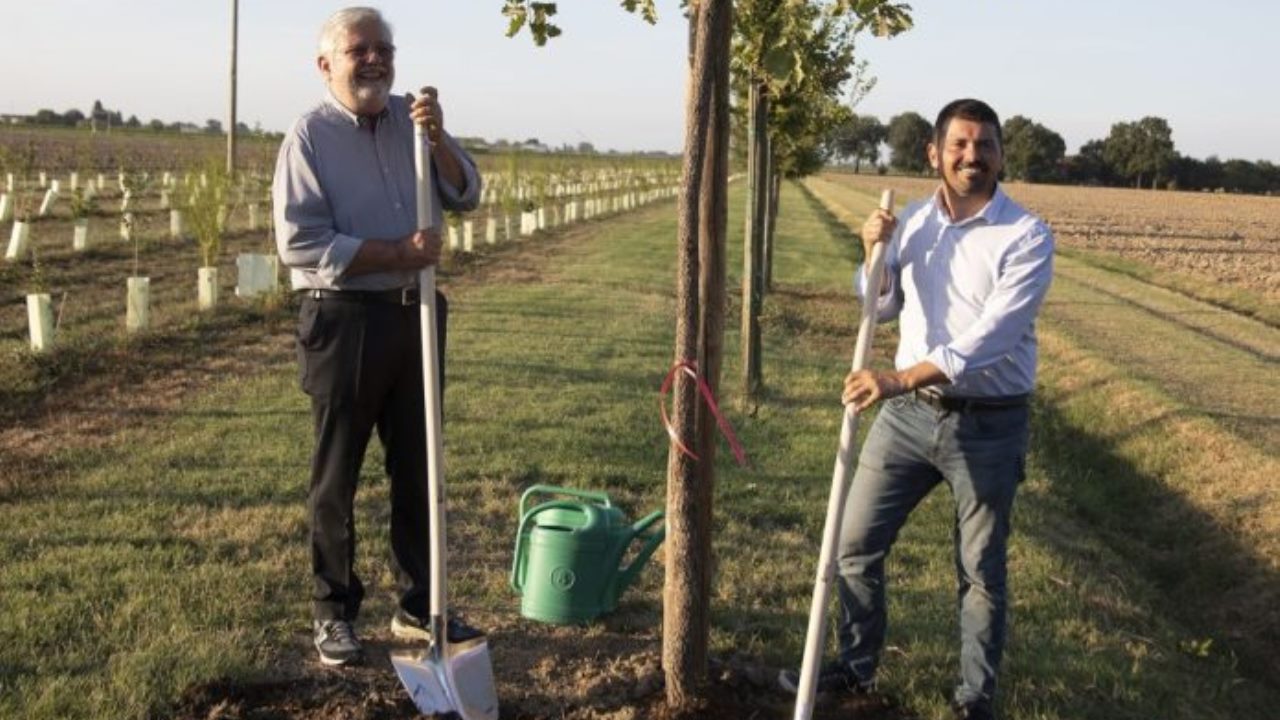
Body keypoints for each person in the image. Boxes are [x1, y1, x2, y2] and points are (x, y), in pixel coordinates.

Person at [781, 99, 1054, 720]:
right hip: (907, 420)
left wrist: (900, 377)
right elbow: (879, 307)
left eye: (985, 145)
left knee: (980, 571)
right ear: (933, 153)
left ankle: (973, 701)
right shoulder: (912, 223)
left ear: (1000, 155)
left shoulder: (1026, 236)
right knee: (853, 546)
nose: (972, 156)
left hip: (988, 422)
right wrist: (872, 255)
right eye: (959, 144)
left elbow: (993, 337)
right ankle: (855, 669)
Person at [273, 6, 483, 667]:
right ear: (326, 63)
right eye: (359, 49)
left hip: (414, 314)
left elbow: (467, 192)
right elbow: (299, 242)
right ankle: (333, 612)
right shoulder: (308, 137)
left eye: (383, 48)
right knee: (337, 475)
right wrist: (397, 250)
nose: (374, 59)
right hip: (343, 320)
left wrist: (440, 139)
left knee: (419, 467)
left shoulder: (412, 121)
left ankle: (421, 606)